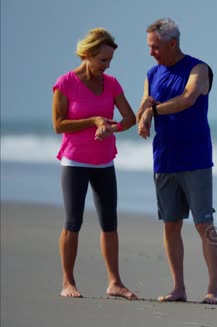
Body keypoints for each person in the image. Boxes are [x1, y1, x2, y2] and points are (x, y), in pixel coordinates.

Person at [137, 18, 217, 304]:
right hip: (164, 159)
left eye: (155, 47)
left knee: (203, 224)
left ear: (172, 43)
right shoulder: (152, 73)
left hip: (196, 158)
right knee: (170, 225)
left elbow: (187, 99)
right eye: (150, 47)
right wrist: (143, 116)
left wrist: (153, 112)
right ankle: (178, 288)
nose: (151, 52)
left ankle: (213, 289)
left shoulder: (199, 69)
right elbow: (143, 108)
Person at [52, 28, 138, 300]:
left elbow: (130, 118)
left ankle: (115, 282)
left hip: (103, 162)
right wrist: (95, 120)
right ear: (88, 55)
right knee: (73, 222)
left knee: (109, 223)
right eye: (103, 59)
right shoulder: (65, 83)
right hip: (74, 160)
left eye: (110, 60)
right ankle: (68, 282)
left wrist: (111, 128)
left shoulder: (111, 84)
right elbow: (59, 124)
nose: (107, 65)